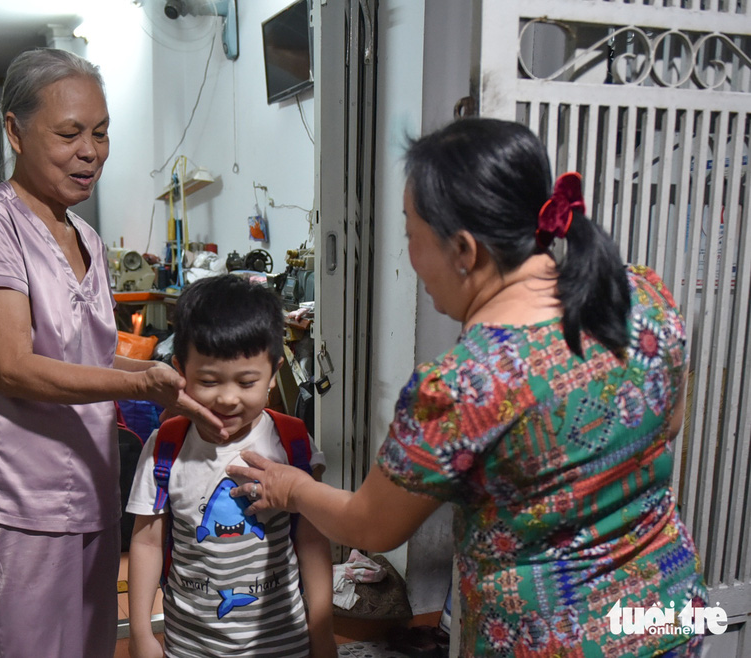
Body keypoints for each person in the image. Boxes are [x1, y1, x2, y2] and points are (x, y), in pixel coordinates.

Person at [228, 118, 707, 657]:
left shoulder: (465, 385)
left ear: (463, 249)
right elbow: (668, 422)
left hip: (553, 643)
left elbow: (373, 525)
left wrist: (290, 488)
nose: (409, 257)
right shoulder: (642, 296)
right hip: (670, 613)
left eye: (411, 235)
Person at [0, 48, 225, 658]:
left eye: (100, 133)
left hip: (95, 487)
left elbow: (94, 356)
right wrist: (136, 385)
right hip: (25, 498)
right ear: (15, 131)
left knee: (94, 646)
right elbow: (12, 366)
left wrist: (171, 381)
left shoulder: (88, 239)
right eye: (70, 133)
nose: (91, 151)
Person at [126, 275, 336, 658]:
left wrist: (321, 629)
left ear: (273, 375)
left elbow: (312, 539)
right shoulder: (166, 448)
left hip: (283, 640)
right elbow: (146, 541)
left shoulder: (293, 443)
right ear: (180, 372)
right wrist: (141, 632)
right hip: (191, 643)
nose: (227, 398)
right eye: (208, 380)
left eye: (246, 381)